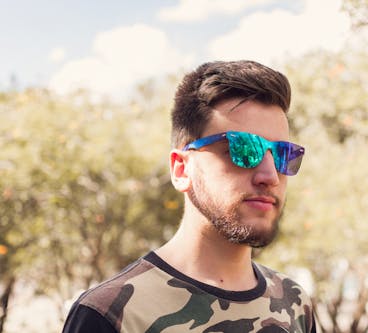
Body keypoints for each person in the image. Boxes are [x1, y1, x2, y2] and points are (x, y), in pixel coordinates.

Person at [62, 60, 315, 333]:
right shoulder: (110, 315)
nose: (270, 176)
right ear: (181, 169)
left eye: (283, 155)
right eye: (243, 149)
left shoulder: (295, 304)